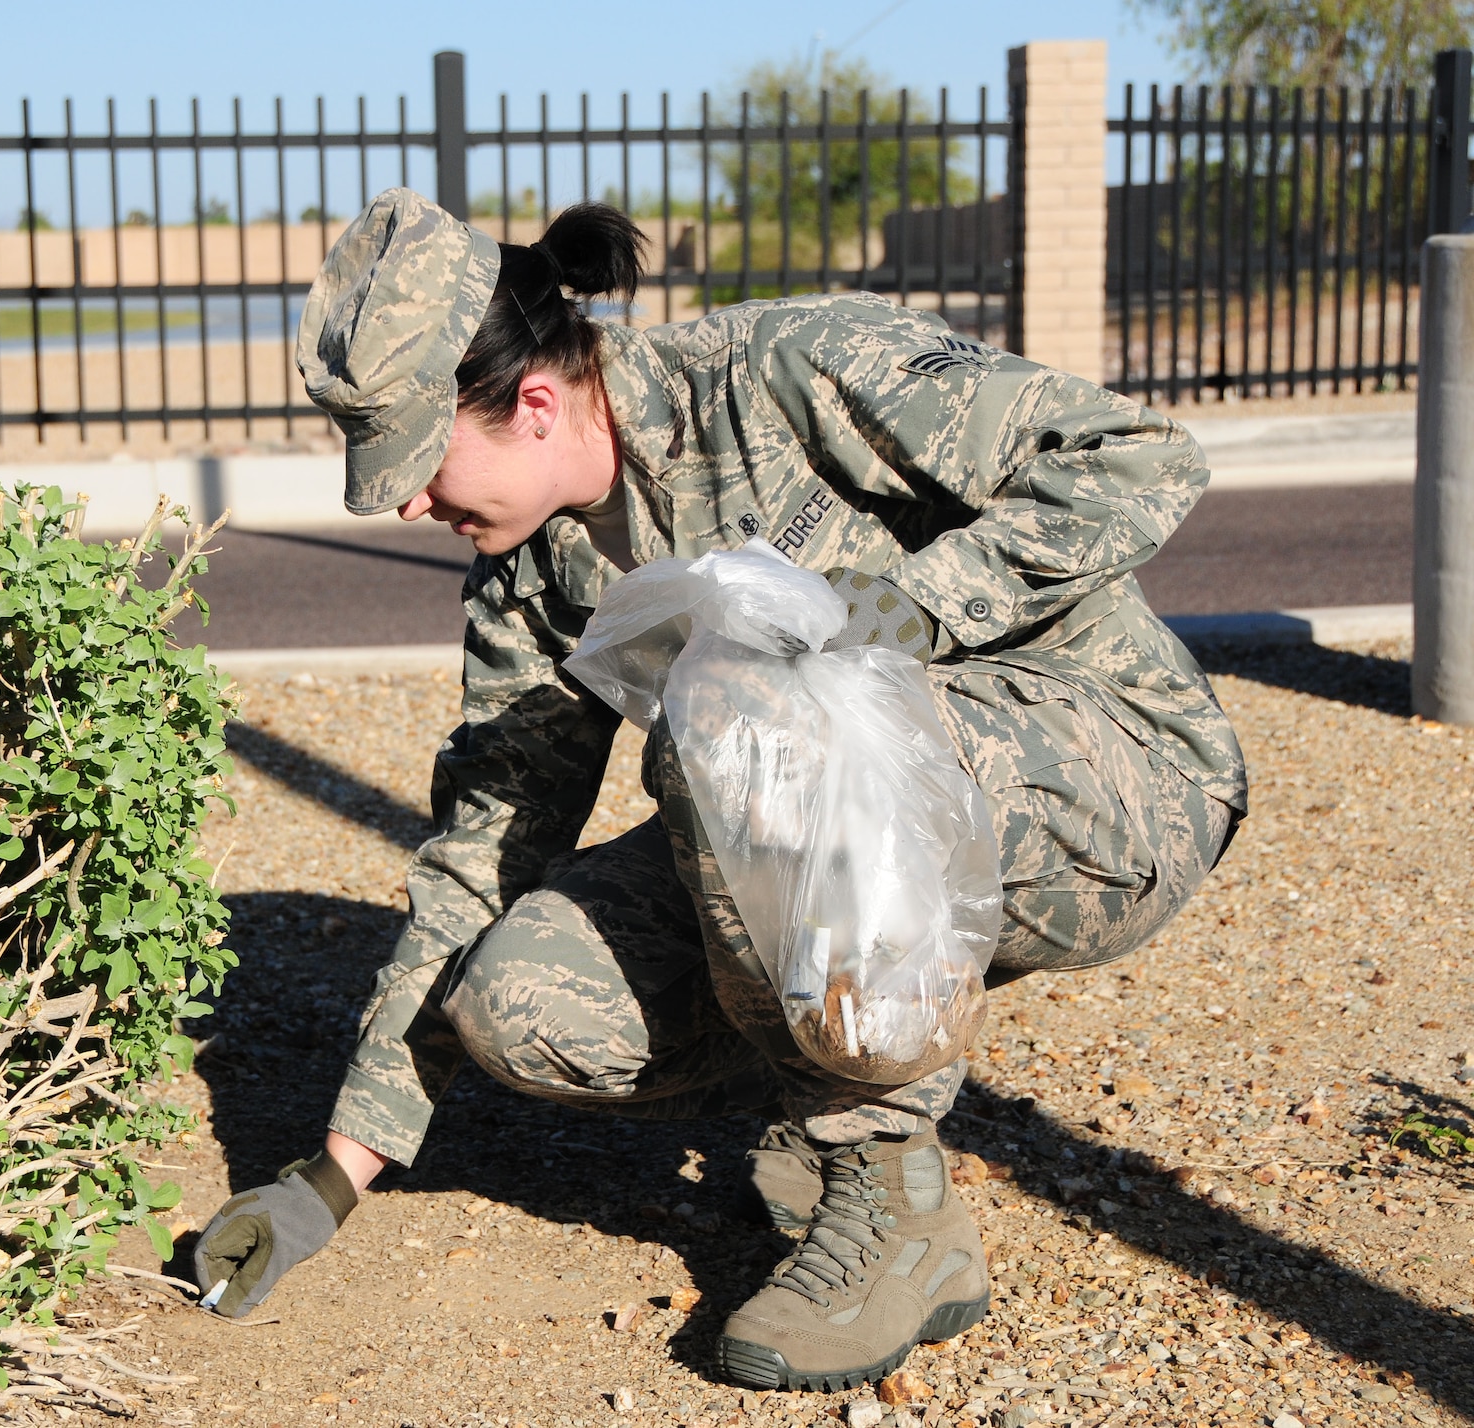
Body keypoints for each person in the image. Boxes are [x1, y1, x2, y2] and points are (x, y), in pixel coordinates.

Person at [193, 188, 1246, 1392]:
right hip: (858, 830)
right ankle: (835, 1081)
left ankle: (890, 1205)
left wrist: (905, 615)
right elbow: (485, 849)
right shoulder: (529, 576)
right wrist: (332, 1177)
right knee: (526, 1000)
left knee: (742, 716)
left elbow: (1134, 459)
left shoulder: (790, 370)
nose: (403, 504)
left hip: (1105, 775)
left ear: (532, 403)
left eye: (418, 464)